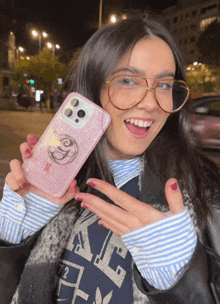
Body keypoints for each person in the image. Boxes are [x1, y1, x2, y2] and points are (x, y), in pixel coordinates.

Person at [1, 13, 220, 304]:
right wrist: (11, 236)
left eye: (165, 85)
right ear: (92, 87)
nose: (151, 103)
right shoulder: (55, 184)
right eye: (128, 80)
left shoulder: (207, 192)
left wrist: (181, 279)